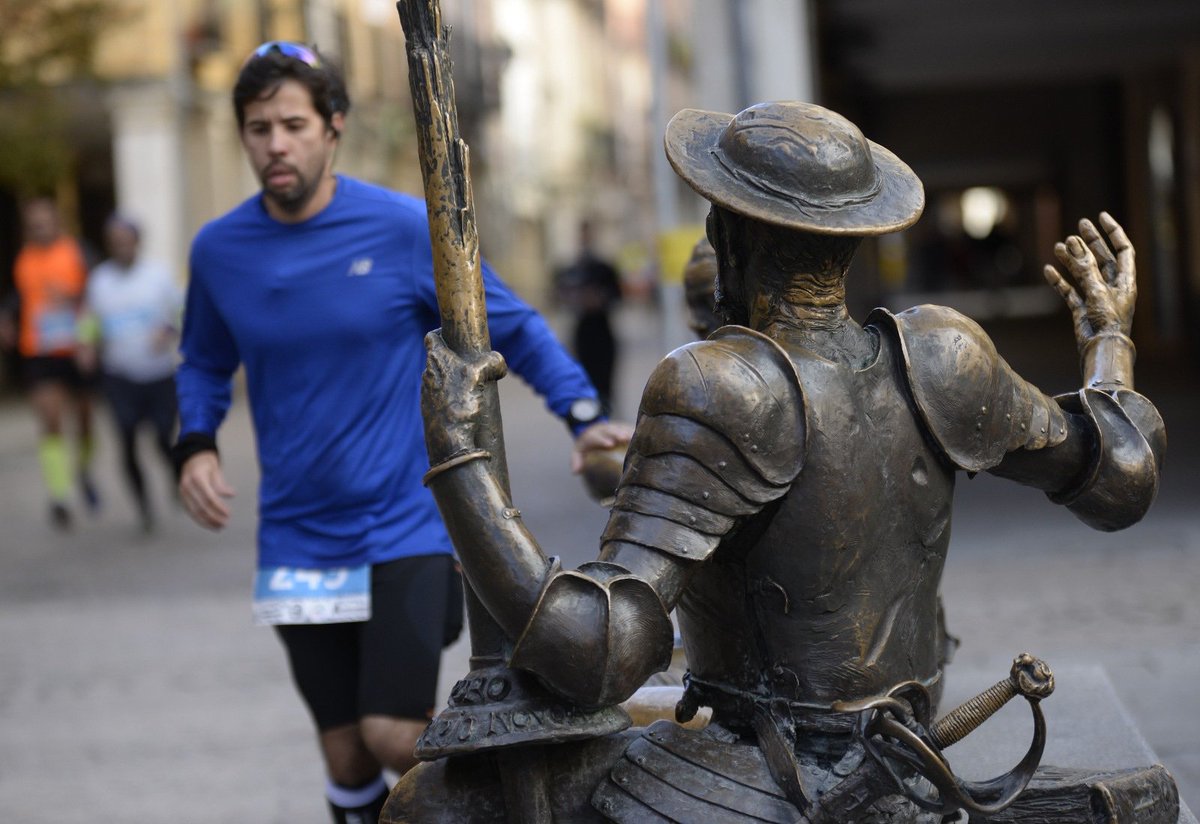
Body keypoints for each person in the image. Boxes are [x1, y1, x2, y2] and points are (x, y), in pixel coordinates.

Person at [400, 101, 1166, 821]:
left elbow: (600, 654)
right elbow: (1120, 480)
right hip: (911, 735)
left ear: (731, 238)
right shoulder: (945, 352)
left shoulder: (717, 384)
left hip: (773, 777)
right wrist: (1108, 339)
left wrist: (460, 458)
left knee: (429, 804)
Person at [172, 42, 628, 824]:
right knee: (345, 751)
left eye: (292, 124)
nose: (275, 144)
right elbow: (203, 363)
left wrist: (581, 415)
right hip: (296, 536)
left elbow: (509, 324)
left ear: (333, 128)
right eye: (257, 129)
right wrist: (196, 442)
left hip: (405, 526)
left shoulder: (404, 229)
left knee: (393, 735)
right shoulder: (220, 251)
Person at [79, 215, 182, 533]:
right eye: (115, 241)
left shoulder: (158, 276)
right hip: (119, 374)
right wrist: (85, 345)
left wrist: (166, 332)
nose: (121, 246)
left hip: (158, 372)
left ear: (137, 241)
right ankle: (144, 508)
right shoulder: (99, 280)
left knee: (163, 437)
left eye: (126, 239)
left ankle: (176, 477)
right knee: (126, 440)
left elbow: (180, 313)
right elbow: (89, 319)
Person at [3, 197, 99, 529]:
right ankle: (59, 496)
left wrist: (77, 313)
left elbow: (96, 297)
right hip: (39, 352)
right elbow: (17, 298)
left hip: (76, 349)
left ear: (57, 221)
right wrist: (7, 320)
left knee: (84, 422)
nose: (38, 227)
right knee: (50, 420)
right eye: (33, 223)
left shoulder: (77, 251)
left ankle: (83, 469)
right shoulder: (23, 260)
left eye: (44, 221)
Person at [555, 220, 623, 411]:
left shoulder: (604, 268)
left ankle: (606, 414)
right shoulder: (571, 269)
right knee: (585, 383)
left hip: (602, 333)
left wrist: (599, 299)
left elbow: (617, 296)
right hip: (583, 334)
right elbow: (559, 296)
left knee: (605, 384)